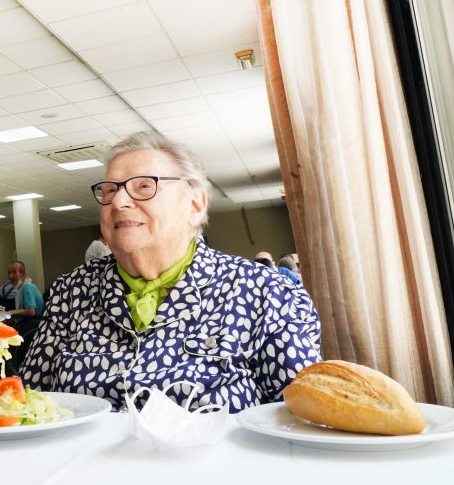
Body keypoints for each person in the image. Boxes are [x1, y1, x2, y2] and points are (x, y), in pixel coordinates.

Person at [21, 131, 321, 413]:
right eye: (110, 190)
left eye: (144, 186)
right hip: (80, 466)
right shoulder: (72, 291)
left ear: (195, 203)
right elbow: (26, 401)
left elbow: (304, 414)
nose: (119, 201)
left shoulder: (264, 291)